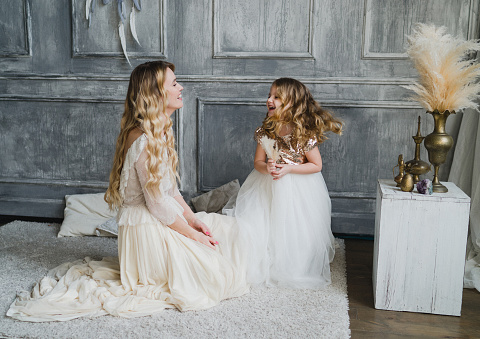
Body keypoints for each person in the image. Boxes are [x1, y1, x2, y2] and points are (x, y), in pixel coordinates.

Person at [7, 61, 248, 322]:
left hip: (158, 217)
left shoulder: (159, 131)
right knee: (211, 276)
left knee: (224, 233)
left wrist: (194, 221)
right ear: (156, 94)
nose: (182, 87)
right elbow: (156, 205)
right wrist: (192, 236)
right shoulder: (143, 139)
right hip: (145, 227)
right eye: (175, 83)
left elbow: (171, 192)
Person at [232, 77, 343, 289]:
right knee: (263, 223)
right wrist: (268, 168)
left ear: (291, 103)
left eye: (276, 97)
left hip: (298, 187)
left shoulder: (302, 133)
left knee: (294, 226)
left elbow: (316, 165)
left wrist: (290, 168)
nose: (269, 100)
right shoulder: (266, 130)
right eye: (269, 96)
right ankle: (266, 257)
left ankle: (294, 260)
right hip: (266, 185)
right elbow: (258, 162)